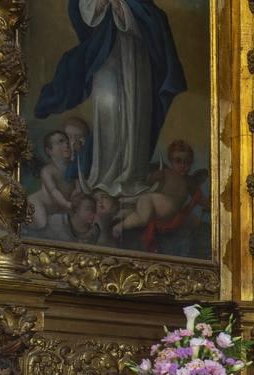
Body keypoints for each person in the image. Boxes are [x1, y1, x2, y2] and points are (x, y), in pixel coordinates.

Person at [34, 0, 187, 196]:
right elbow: (85, 15)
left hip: (137, 56)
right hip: (105, 58)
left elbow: (151, 19)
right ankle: (104, 176)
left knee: (136, 112)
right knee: (109, 112)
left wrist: (122, 7)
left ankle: (132, 176)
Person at [112, 140, 198, 238]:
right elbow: (151, 180)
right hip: (151, 201)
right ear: (171, 160)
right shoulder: (167, 173)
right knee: (143, 217)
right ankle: (120, 226)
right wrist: (155, 176)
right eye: (178, 161)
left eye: (186, 162)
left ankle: (123, 214)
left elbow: (198, 196)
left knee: (141, 214)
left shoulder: (189, 181)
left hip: (163, 212)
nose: (183, 165)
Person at [27, 131, 75, 230]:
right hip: (39, 203)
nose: (66, 144)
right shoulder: (47, 171)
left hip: (60, 207)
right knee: (43, 225)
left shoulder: (73, 168)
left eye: (67, 141)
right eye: (60, 142)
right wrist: (66, 204)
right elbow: (53, 191)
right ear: (49, 151)